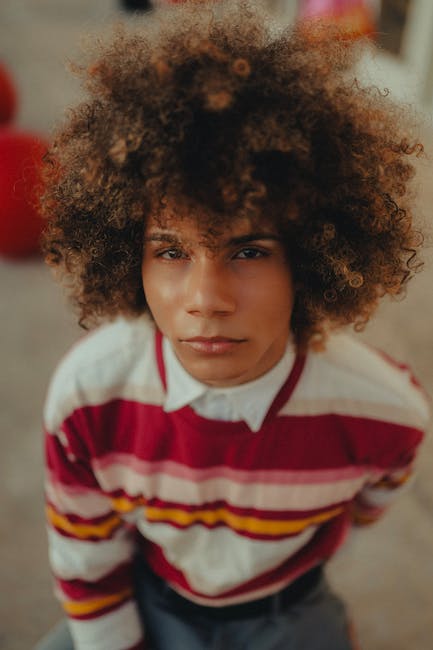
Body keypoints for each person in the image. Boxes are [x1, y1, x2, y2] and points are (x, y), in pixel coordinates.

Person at [36, 2, 430, 649]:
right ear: (127, 256)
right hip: (143, 596)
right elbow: (86, 561)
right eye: (170, 251)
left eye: (247, 251)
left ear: (309, 256)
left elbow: (366, 507)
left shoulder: (383, 412)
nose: (206, 299)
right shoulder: (90, 396)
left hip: (290, 609)